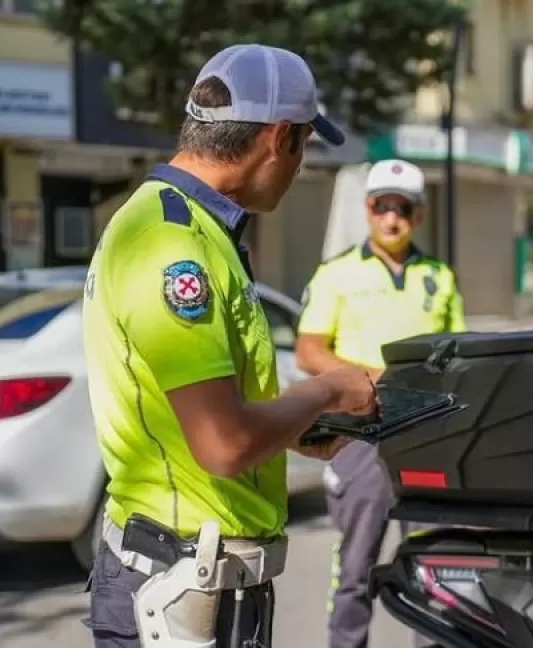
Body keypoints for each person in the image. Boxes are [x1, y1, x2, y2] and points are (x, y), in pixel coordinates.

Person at [81, 44, 377, 648]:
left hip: (200, 581)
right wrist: (325, 391)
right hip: (176, 589)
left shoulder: (195, 229)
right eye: (304, 146)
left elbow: (216, 415)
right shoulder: (173, 245)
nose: (298, 168)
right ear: (279, 138)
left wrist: (296, 428)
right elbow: (222, 444)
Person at [295, 159, 466, 648]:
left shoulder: (440, 276)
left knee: (434, 566)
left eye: (403, 208)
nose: (392, 219)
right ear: (367, 210)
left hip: (428, 433)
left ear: (420, 213)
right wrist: (372, 378)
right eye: (381, 207)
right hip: (361, 434)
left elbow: (458, 352)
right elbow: (310, 350)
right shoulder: (337, 274)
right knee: (356, 566)